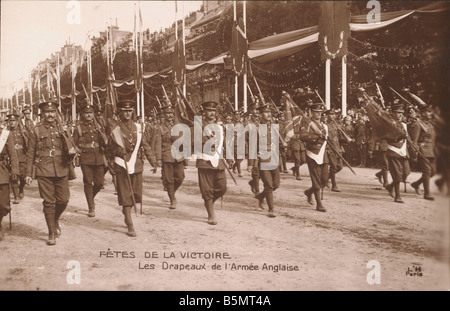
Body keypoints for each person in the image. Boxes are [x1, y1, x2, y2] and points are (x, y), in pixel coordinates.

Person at [25, 101, 72, 245]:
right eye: (47, 112)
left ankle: (55, 219)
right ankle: (51, 231)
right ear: (42, 114)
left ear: (56, 113)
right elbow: (30, 153)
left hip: (61, 167)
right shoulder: (36, 130)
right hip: (43, 169)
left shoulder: (62, 128)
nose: (50, 114)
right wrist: (28, 173)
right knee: (48, 202)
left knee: (63, 200)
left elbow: (70, 146)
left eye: (52, 112)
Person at [109, 100, 157, 237]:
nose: (127, 113)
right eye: (124, 111)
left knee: (136, 194)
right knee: (125, 194)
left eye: (130, 111)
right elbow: (107, 148)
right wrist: (117, 150)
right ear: (120, 112)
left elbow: (145, 145)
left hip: (136, 164)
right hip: (121, 164)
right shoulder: (115, 129)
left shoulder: (138, 127)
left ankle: (127, 211)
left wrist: (153, 161)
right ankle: (129, 222)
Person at [72, 103, 108, 217]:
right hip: (86, 158)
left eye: (90, 113)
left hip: (99, 157)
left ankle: (90, 197)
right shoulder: (78, 128)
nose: (88, 115)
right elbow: (74, 142)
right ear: (82, 114)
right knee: (88, 182)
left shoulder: (99, 126)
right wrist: (77, 150)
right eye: (86, 113)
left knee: (99, 182)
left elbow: (105, 141)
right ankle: (91, 207)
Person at [195, 101, 227, 225]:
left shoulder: (220, 127)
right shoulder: (198, 126)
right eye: (209, 110)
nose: (212, 113)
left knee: (222, 187)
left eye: (214, 110)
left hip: (218, 161)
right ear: (204, 112)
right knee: (207, 189)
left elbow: (224, 142)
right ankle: (211, 214)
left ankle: (209, 202)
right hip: (205, 160)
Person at [153, 105, 185, 209]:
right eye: (167, 113)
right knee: (168, 179)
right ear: (164, 115)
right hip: (167, 155)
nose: (170, 115)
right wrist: (158, 158)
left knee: (180, 177)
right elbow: (158, 143)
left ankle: (172, 192)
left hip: (178, 156)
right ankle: (172, 199)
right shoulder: (160, 128)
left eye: (171, 113)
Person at [300, 103, 329, 212]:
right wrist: (315, 137)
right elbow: (303, 136)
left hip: (323, 154)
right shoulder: (307, 123)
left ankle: (309, 192)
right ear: (311, 112)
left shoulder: (324, 126)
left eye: (320, 112)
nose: (318, 114)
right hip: (312, 154)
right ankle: (319, 204)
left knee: (325, 180)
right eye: (316, 112)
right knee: (316, 180)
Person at [254, 103, 280, 218]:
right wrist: (253, 161)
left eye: (269, 112)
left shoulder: (273, 127)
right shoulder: (257, 128)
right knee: (268, 185)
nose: (269, 114)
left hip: (274, 158)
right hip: (264, 159)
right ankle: (271, 209)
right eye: (266, 112)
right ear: (260, 115)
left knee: (276, 184)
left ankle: (261, 196)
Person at [383, 103, 410, 203]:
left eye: (401, 113)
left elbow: (407, 138)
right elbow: (385, 137)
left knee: (406, 172)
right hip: (394, 150)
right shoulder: (388, 124)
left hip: (403, 150)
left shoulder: (404, 125)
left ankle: (390, 186)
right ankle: (398, 196)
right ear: (393, 113)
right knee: (397, 174)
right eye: (398, 113)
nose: (400, 115)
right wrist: (399, 137)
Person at [410, 106, 437, 200]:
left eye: (430, 112)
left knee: (433, 172)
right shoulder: (418, 124)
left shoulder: (430, 125)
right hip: (423, 151)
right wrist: (415, 153)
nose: (430, 114)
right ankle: (427, 194)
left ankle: (416, 184)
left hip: (431, 151)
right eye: (427, 112)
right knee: (427, 171)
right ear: (422, 113)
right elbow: (414, 141)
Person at [0, 123, 20, 241]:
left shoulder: (5, 134)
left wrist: (15, 171)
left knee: (4, 205)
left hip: (1, 171)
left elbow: (13, 153)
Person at [7, 113, 28, 203]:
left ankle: (21, 189)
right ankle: (16, 196)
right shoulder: (6, 132)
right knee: (13, 176)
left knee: (23, 177)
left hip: (21, 156)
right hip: (11, 157)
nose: (12, 123)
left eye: (13, 121)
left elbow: (28, 143)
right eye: (10, 121)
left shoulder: (22, 131)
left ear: (17, 121)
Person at [326, 109, 344, 192]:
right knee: (333, 167)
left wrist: (341, 131)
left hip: (337, 147)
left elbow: (340, 138)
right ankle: (334, 185)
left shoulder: (337, 125)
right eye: (331, 114)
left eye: (333, 114)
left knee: (340, 167)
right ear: (327, 116)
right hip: (330, 148)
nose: (332, 116)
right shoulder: (325, 125)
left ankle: (326, 178)